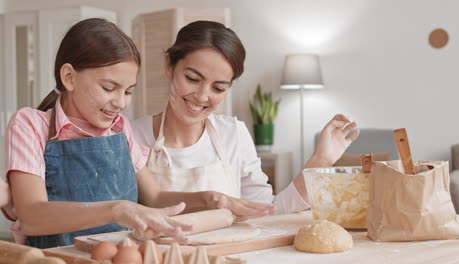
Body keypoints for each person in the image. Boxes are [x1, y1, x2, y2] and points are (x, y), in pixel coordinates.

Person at [6, 18, 272, 249]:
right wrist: (118, 209)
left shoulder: (120, 128)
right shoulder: (31, 125)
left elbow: (154, 197)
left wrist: (210, 198)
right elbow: (32, 215)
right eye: (109, 88)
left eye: (128, 91)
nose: (121, 103)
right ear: (69, 77)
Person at [131, 21, 360, 215]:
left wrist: (321, 159)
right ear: (169, 66)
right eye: (192, 79)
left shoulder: (233, 133)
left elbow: (267, 212)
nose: (202, 96)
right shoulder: (132, 136)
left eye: (218, 88)